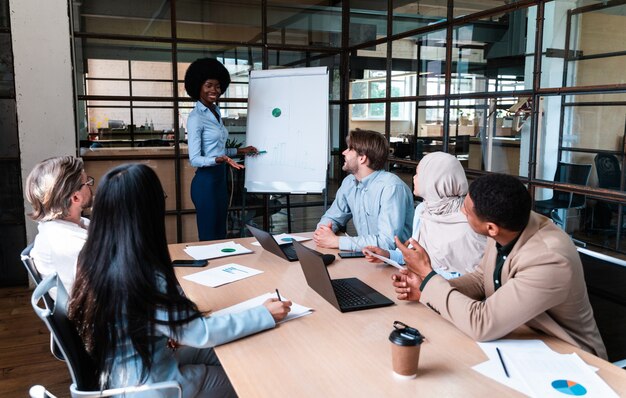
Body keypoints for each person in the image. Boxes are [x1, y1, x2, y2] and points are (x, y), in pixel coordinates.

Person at [68, 163, 292, 397]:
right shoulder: (139, 273)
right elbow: (197, 333)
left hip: (127, 371)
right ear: (147, 213)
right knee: (250, 375)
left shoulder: (94, 256)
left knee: (234, 350)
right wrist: (263, 314)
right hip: (153, 385)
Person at [391, 173, 607, 359]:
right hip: (522, 340)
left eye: (466, 211)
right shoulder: (508, 223)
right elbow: (480, 279)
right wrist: (425, 289)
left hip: (571, 359)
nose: (462, 213)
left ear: (491, 228)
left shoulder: (550, 259)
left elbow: (481, 323)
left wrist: (428, 276)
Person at [364, 152, 486, 277]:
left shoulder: (470, 221)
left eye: (419, 174)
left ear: (435, 180)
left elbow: (476, 279)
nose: (414, 178)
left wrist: (427, 277)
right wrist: (387, 255)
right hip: (420, 284)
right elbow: (416, 255)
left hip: (450, 292)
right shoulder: (423, 210)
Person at [184, 58, 257, 241]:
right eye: (209, 85)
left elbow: (217, 149)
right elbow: (194, 158)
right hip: (205, 183)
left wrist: (240, 151)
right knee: (209, 237)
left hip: (220, 183)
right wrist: (219, 160)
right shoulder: (195, 118)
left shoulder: (215, 112)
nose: (214, 90)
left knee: (220, 235)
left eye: (217, 86)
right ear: (198, 86)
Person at [314, 129, 414, 251]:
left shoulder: (391, 188)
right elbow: (333, 217)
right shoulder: (349, 182)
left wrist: (337, 241)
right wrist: (323, 231)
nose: (344, 152)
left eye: (349, 149)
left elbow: (388, 243)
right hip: (368, 257)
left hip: (396, 264)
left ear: (362, 158)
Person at [24, 156, 93, 294]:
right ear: (75, 197)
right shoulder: (68, 243)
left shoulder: (70, 226)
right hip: (100, 311)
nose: (91, 186)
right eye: (88, 182)